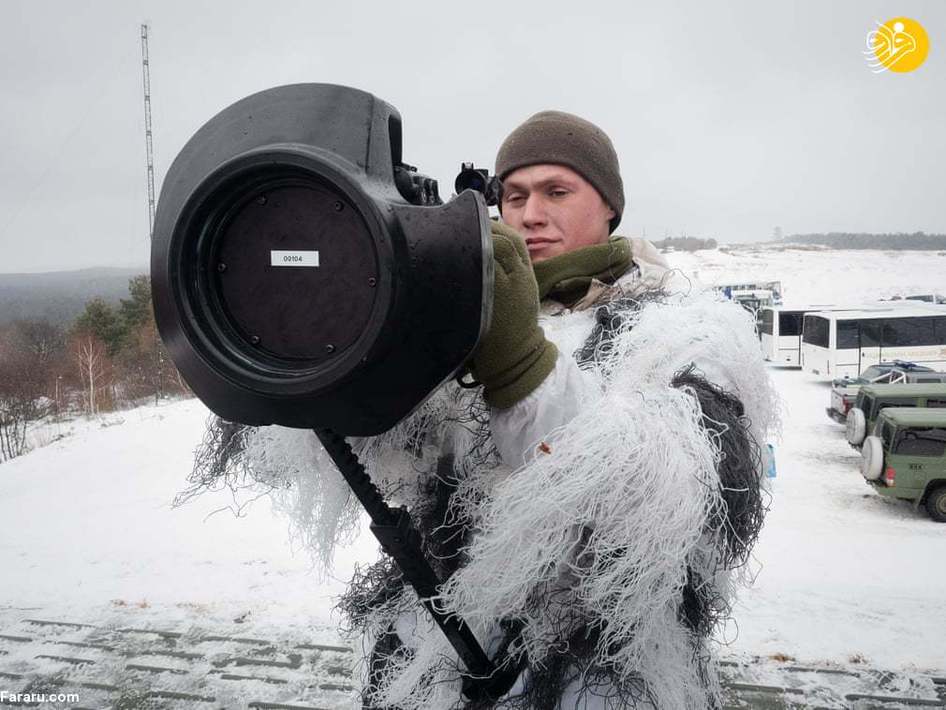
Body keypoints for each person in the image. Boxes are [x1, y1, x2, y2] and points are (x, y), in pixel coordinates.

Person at [217, 110, 776, 709]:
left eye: (557, 192)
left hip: (604, 677)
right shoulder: (458, 321)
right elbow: (359, 459)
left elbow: (681, 503)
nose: (530, 214)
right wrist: (309, 341)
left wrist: (520, 366)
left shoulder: (684, 331)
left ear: (611, 207)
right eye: (513, 196)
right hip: (436, 662)